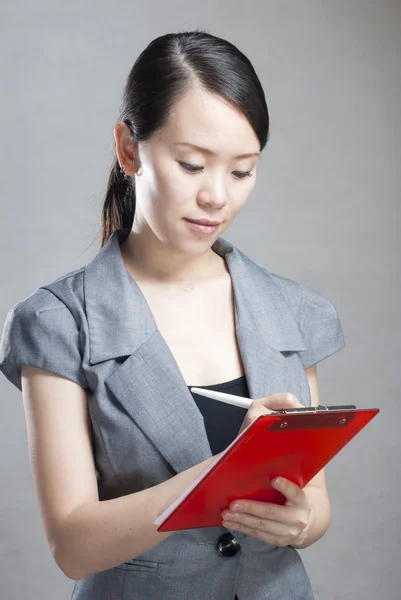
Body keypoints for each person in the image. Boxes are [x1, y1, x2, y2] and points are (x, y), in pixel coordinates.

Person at [0, 30, 345, 600]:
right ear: (129, 148)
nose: (218, 197)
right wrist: (225, 472)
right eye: (191, 164)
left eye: (242, 171)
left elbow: (317, 508)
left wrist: (300, 521)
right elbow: (72, 544)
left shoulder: (295, 311)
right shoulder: (58, 322)